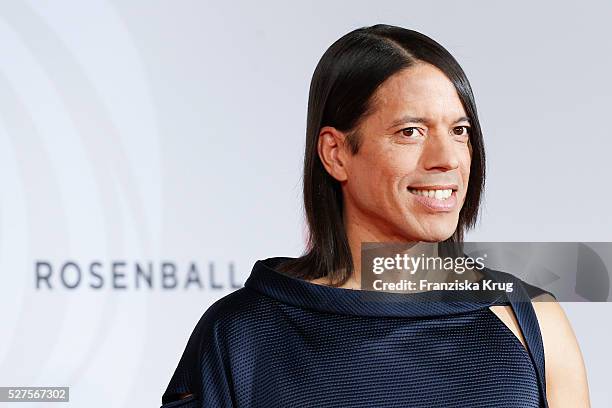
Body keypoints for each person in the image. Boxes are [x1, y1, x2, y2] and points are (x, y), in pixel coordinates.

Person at [161, 24, 590, 407]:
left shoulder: (530, 319)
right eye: (411, 132)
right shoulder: (241, 334)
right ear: (336, 153)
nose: (447, 158)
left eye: (459, 131)